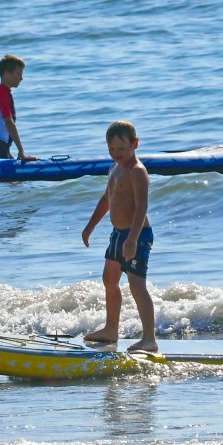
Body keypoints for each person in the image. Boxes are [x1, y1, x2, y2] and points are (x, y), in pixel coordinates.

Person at [81, 120, 157, 352]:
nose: (117, 154)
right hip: (118, 234)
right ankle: (111, 329)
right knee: (109, 279)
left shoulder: (137, 171)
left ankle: (149, 339)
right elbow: (107, 199)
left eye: (122, 149)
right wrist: (90, 226)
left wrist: (132, 239)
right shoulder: (114, 168)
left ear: (135, 144)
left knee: (136, 285)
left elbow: (141, 206)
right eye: (112, 149)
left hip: (138, 234)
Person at [0, 54, 37, 161]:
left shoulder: (4, 92)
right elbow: (8, 123)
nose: (21, 78)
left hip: (0, 147)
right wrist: (21, 151)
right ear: (7, 74)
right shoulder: (2, 94)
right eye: (18, 74)